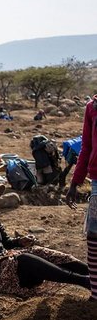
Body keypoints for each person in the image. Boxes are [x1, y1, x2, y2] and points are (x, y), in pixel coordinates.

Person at [64, 96, 97, 302]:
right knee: (94, 238)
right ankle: (96, 294)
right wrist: (75, 182)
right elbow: (86, 146)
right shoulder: (92, 107)